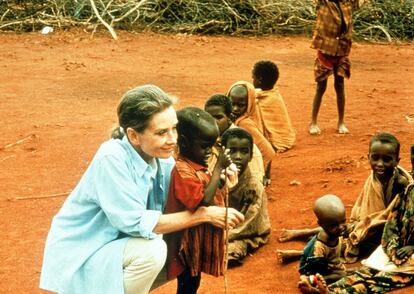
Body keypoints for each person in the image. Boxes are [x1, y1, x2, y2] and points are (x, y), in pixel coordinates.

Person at [39, 85, 244, 294]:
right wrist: (204, 215)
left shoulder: (163, 160)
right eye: (162, 132)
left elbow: (187, 200)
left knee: (177, 252)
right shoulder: (112, 158)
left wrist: (219, 183)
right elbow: (135, 223)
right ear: (134, 136)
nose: (173, 139)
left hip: (116, 247)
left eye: (175, 128)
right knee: (153, 251)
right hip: (86, 252)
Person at [277, 132, 412, 263]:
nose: (380, 164)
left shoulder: (400, 183)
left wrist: (368, 227)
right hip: (368, 223)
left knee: (361, 244)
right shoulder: (374, 177)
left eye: (387, 159)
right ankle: (304, 233)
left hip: (385, 229)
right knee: (340, 228)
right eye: (375, 158)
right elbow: (366, 207)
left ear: (396, 161)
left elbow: (395, 219)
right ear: (368, 157)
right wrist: (365, 225)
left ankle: (302, 254)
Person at [163, 107, 238, 294]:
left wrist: (221, 180)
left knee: (193, 281)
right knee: (188, 283)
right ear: (185, 143)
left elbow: (207, 191)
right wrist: (219, 166)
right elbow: (201, 201)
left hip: (195, 238)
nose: (209, 151)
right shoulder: (182, 170)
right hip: (184, 244)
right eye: (204, 145)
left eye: (212, 145)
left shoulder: (196, 165)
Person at [298, 183, 414, 294]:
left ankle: (335, 293)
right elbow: (393, 222)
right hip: (397, 247)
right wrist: (392, 246)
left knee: (384, 279)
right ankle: (325, 289)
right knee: (368, 270)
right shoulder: (408, 191)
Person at [309, 0, 369, 135]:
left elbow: (360, 3)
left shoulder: (347, 2)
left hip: (342, 48)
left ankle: (341, 122)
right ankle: (313, 122)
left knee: (340, 86)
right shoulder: (323, 2)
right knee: (321, 87)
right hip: (326, 49)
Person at [221, 127, 271, 265]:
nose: (238, 156)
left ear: (250, 156)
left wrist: (224, 236)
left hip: (247, 231)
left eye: (244, 152)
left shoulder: (253, 185)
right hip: (223, 226)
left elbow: (250, 221)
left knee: (235, 247)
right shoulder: (217, 176)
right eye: (232, 151)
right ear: (222, 152)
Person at [204, 93, 265, 184]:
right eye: (209, 117)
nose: (213, 122)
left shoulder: (242, 141)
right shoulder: (204, 140)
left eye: (219, 117)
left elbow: (255, 176)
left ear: (230, 118)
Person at [227, 81, 275, 185]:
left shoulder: (244, 124)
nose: (235, 108)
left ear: (249, 104)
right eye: (232, 103)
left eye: (241, 105)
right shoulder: (237, 118)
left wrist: (265, 176)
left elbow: (268, 151)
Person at [299, 194, 347, 285]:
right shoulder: (319, 246)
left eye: (343, 221)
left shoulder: (335, 233)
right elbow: (313, 264)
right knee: (343, 275)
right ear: (321, 224)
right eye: (333, 225)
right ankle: (313, 281)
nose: (341, 227)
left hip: (330, 265)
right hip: (312, 270)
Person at [252, 60, 296, 151]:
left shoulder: (256, 98)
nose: (252, 80)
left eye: (253, 78)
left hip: (273, 143)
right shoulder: (275, 94)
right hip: (286, 140)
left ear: (259, 79)